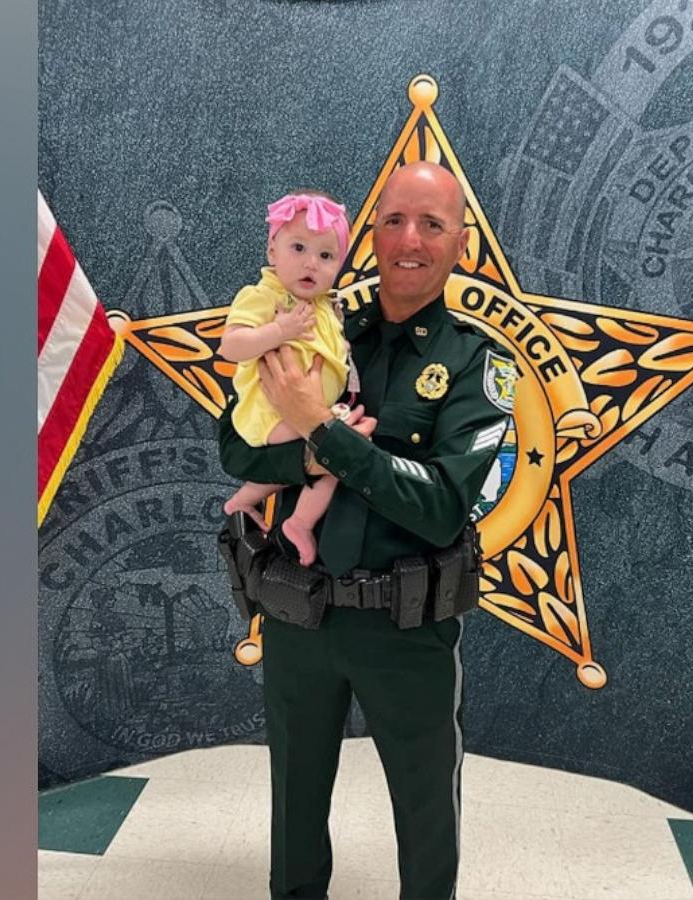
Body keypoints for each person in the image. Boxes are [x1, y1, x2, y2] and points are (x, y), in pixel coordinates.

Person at [218, 162, 518, 900]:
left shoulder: (476, 363)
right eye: (393, 221)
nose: (409, 240)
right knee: (293, 804)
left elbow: (443, 506)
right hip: (299, 611)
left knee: (424, 813)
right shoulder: (319, 325)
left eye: (432, 224)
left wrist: (322, 430)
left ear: (461, 243)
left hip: (404, 632)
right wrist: (316, 441)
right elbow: (235, 449)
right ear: (370, 237)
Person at [219, 191, 377, 565]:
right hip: (269, 413)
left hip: (307, 411)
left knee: (335, 451)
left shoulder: (326, 308)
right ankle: (300, 524)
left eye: (325, 256)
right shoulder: (263, 297)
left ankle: (249, 500)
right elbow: (232, 346)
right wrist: (278, 330)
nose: (311, 263)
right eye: (298, 248)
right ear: (272, 251)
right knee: (338, 450)